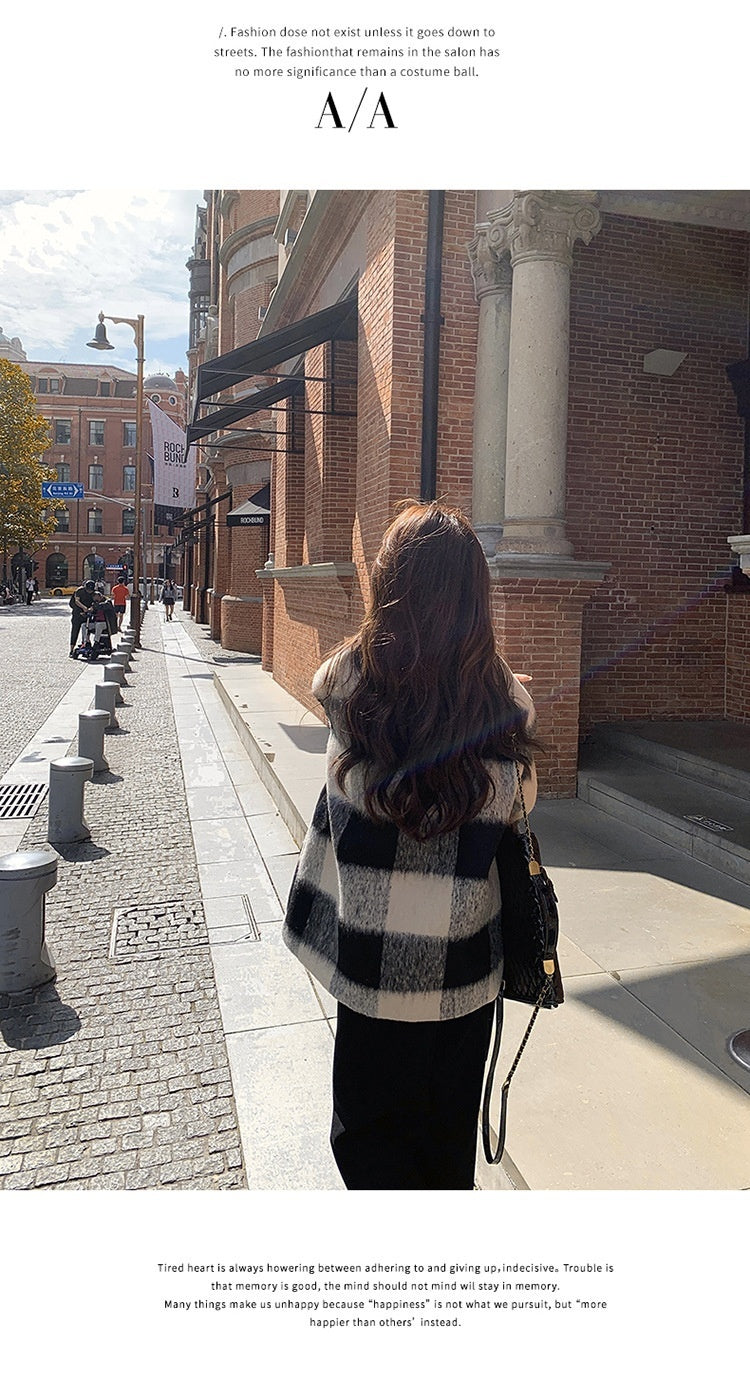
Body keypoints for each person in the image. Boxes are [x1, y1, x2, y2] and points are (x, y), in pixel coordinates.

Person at [282, 501, 538, 1190]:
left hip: (369, 966)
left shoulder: (348, 693)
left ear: (388, 586)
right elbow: (520, 809)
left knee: (367, 1143)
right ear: (475, 600)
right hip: (461, 973)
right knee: (446, 1150)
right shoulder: (502, 709)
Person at [69, 579, 96, 656]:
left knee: (87, 631)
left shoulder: (94, 592)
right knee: (75, 631)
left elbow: (97, 601)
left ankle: (85, 645)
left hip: (87, 615)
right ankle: (71, 649)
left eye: (91, 590)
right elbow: (76, 601)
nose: (89, 592)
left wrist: (92, 608)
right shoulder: (79, 591)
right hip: (77, 613)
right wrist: (83, 608)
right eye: (88, 590)